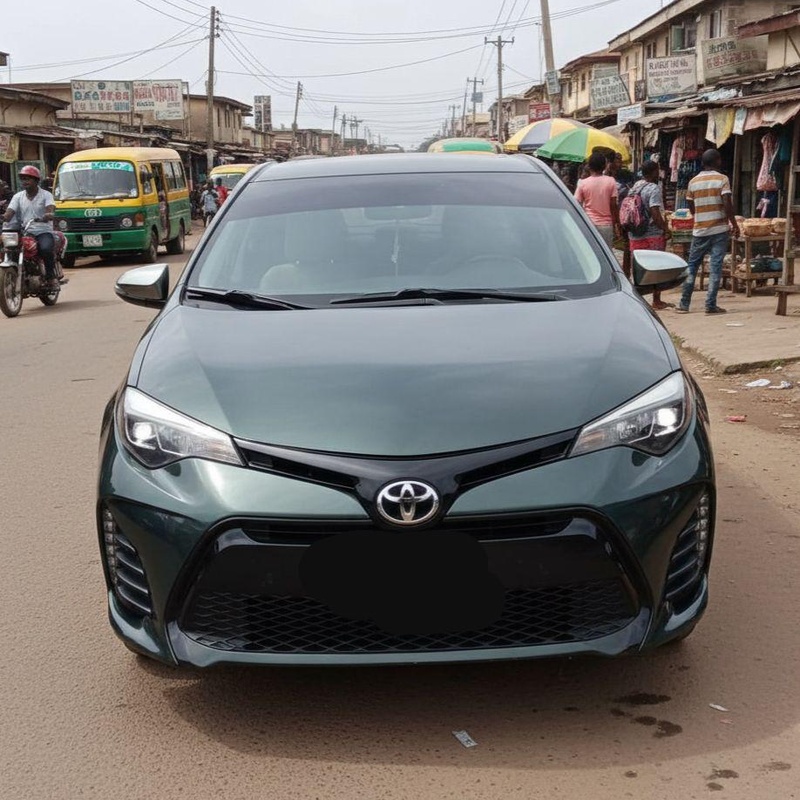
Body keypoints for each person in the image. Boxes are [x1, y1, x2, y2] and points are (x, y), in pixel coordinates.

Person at [675, 149, 741, 315]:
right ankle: (710, 305)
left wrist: (699, 216)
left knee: (692, 266)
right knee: (715, 266)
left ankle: (684, 303)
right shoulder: (722, 179)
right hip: (719, 229)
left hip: (700, 230)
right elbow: (727, 202)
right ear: (717, 161)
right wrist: (733, 223)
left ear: (703, 163)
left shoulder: (693, 181)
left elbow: (690, 204)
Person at [2, 165, 59, 289]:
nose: (25, 181)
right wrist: (3, 217)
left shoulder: (46, 195)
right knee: (12, 249)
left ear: (37, 181)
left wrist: (47, 215)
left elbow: (50, 208)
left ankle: (51, 277)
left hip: (43, 231)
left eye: (28, 179)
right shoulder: (18, 196)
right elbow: (10, 212)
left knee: (45, 249)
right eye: (23, 179)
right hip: (26, 232)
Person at [627, 160, 673, 311]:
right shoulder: (653, 188)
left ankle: (637, 298)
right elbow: (655, 211)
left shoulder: (635, 187)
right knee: (657, 266)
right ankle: (656, 300)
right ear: (654, 171)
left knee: (638, 266)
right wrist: (665, 228)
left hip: (635, 232)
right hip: (652, 233)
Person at [574, 152, 620, 248]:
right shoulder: (611, 181)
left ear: (589, 166)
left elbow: (576, 204)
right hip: (606, 225)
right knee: (605, 255)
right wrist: (617, 224)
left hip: (589, 224)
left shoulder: (583, 183)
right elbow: (613, 205)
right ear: (604, 166)